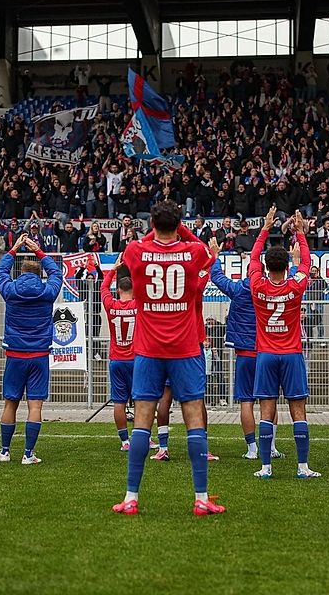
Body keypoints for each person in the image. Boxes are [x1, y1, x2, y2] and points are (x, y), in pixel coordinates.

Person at [112, 200, 225, 516]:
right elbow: (203, 249)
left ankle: (131, 498)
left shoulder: (136, 251)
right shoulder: (193, 252)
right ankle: (201, 498)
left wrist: (160, 230)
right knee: (194, 418)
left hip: (148, 349)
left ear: (151, 223)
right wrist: (180, 229)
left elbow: (147, 244)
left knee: (142, 420)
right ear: (179, 224)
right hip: (185, 348)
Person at [249, 207, 319, 480]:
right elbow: (306, 264)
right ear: (287, 267)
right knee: (298, 411)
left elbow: (253, 257)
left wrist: (265, 228)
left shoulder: (257, 285)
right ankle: (303, 467)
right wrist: (300, 233)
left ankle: (266, 467)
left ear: (266, 267)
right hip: (291, 354)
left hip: (266, 355)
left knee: (266, 411)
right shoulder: (295, 286)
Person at [208, 237, 284, 461]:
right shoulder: (271, 288)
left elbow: (217, 277)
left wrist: (215, 256)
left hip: (245, 353)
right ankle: (271, 447)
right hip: (267, 350)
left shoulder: (240, 288)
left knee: (246, 402)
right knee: (269, 400)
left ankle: (252, 448)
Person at [0, 234, 62, 465]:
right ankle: (28, 454)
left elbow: (0, 272)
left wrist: (13, 249)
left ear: (21, 272)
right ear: (39, 273)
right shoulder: (47, 292)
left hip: (15, 354)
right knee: (35, 404)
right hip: (39, 354)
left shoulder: (11, 290)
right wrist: (39, 251)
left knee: (10, 402)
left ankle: (5, 451)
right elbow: (57, 273)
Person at [101, 255, 137, 451]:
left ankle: (124, 441)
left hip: (116, 359)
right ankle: (143, 437)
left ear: (118, 290)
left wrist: (113, 270)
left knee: (119, 402)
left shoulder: (111, 305)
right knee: (141, 401)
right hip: (135, 359)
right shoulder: (137, 305)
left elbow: (103, 288)